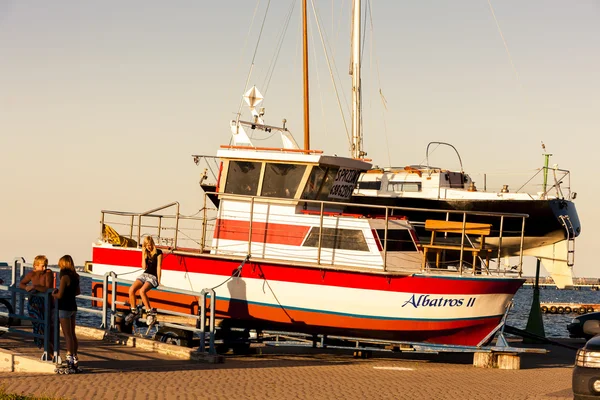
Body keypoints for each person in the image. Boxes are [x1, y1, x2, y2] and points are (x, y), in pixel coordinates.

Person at [19, 255, 55, 354]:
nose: (44, 268)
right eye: (42, 266)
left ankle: (49, 349)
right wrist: (26, 287)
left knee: (46, 325)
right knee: (37, 324)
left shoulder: (48, 273)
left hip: (45, 302)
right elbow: (21, 284)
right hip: (34, 302)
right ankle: (42, 344)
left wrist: (34, 286)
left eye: (45, 265)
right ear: (35, 265)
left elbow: (47, 288)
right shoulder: (31, 274)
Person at [52, 255, 80, 370]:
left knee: (67, 334)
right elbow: (78, 292)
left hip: (64, 307)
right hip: (73, 306)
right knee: (73, 334)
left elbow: (60, 295)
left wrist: (54, 294)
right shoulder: (76, 276)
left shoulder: (65, 277)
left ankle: (69, 357)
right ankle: (75, 357)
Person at [126, 236, 162, 323]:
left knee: (142, 291)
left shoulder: (158, 252)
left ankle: (149, 312)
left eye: (150, 245)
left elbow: (159, 267)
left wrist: (159, 281)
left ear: (152, 243)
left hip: (152, 277)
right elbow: (143, 267)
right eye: (147, 245)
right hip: (145, 275)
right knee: (131, 289)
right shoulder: (146, 253)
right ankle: (134, 311)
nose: (149, 247)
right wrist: (143, 253)